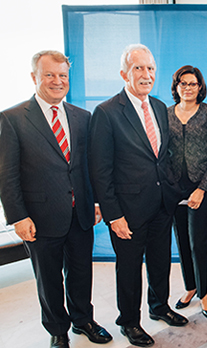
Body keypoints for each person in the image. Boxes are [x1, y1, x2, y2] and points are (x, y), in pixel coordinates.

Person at [0, 51, 112, 348]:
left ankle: (83, 320)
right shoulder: (12, 119)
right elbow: (6, 174)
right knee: (48, 279)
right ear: (34, 77)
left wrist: (97, 203)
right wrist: (18, 217)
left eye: (63, 75)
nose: (57, 81)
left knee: (80, 272)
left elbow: (90, 165)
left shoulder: (81, 117)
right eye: (50, 74)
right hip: (39, 217)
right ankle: (57, 330)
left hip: (81, 212)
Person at [88, 44, 187, 348]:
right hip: (127, 211)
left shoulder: (158, 106)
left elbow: (163, 156)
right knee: (129, 269)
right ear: (124, 73)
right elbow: (100, 169)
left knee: (160, 262)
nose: (146, 75)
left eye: (151, 69)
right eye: (138, 68)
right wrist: (113, 214)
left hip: (160, 206)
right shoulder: (106, 112)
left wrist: (171, 190)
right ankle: (129, 322)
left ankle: (159, 307)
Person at [168, 65, 207, 319]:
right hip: (174, 188)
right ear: (176, 86)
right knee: (181, 240)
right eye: (183, 83)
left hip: (202, 187)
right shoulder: (166, 114)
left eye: (193, 84)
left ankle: (203, 292)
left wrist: (203, 188)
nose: (188, 88)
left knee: (198, 240)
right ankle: (190, 287)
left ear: (200, 87)